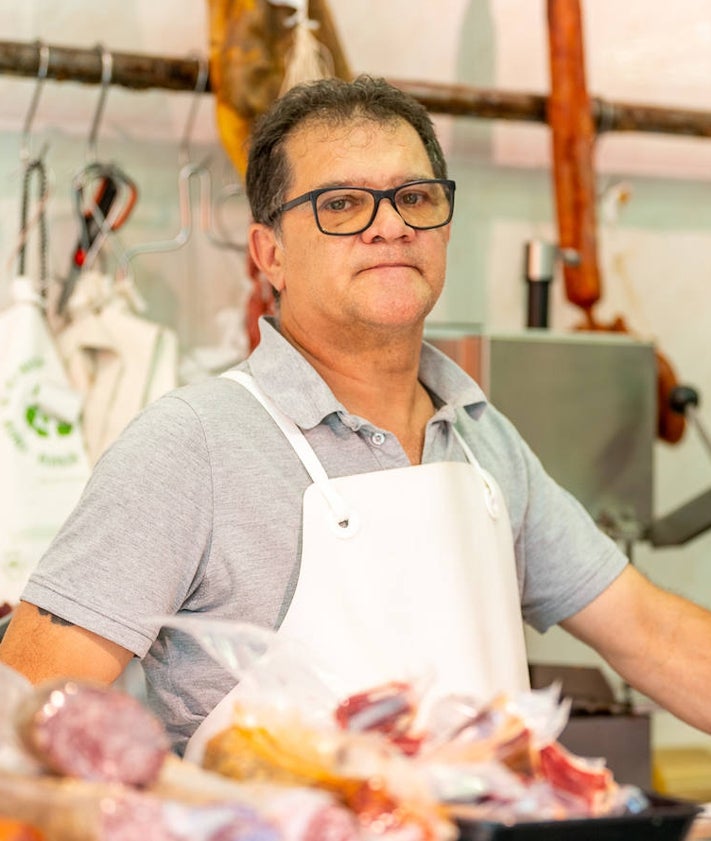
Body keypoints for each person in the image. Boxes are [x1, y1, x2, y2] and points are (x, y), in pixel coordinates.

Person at [2, 75, 711, 761]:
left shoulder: (480, 437)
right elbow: (25, 716)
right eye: (342, 204)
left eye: (414, 197)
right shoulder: (189, 445)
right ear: (269, 254)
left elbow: (648, 632)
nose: (391, 226)